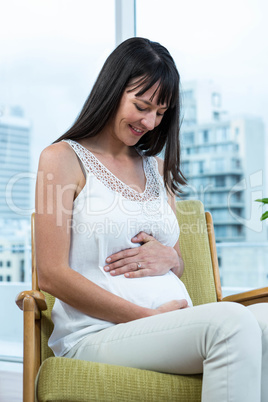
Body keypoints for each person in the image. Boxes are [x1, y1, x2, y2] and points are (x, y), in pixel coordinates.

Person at [35, 37, 268, 401]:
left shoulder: (156, 169)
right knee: (232, 323)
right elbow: (50, 273)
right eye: (141, 106)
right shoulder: (62, 159)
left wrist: (174, 258)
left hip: (169, 327)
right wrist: (147, 317)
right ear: (112, 91)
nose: (149, 121)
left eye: (160, 112)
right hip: (100, 333)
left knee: (266, 323)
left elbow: (173, 262)